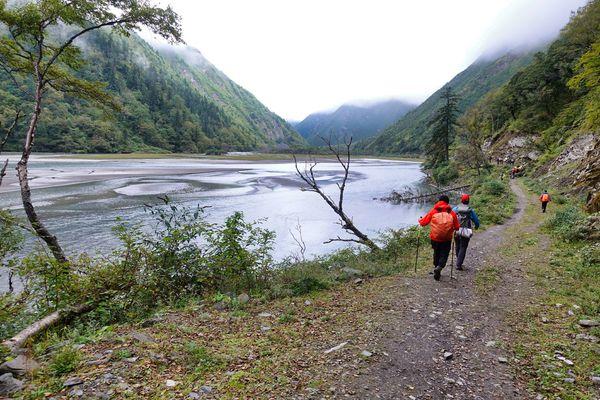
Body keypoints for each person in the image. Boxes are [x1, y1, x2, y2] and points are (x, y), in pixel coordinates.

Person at [419, 195, 460, 281]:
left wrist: (420, 220)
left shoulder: (434, 211)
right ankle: (440, 267)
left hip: (435, 238)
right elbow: (457, 227)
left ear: (439, 201)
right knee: (444, 254)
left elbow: (423, 223)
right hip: (447, 239)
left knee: (436, 252)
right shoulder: (451, 212)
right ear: (447, 203)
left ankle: (436, 267)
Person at [453, 194, 480, 271]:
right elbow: (476, 220)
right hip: (466, 231)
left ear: (461, 200)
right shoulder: (470, 210)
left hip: (457, 230)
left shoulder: (455, 209)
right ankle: (459, 264)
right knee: (463, 247)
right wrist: (476, 226)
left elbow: (451, 217)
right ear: (468, 200)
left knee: (457, 245)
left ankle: (458, 260)